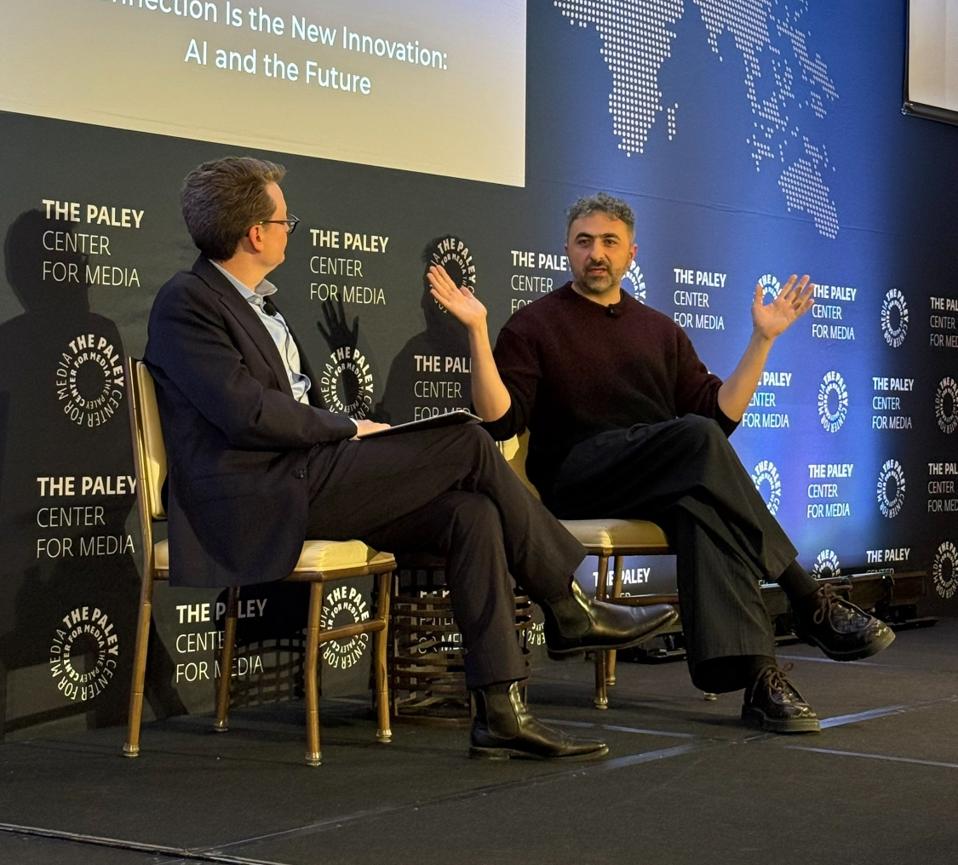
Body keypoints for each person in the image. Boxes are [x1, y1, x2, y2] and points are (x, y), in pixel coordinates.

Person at [145, 159, 679, 761]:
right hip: (258, 494)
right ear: (255, 234)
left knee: (470, 513)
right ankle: (569, 604)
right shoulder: (187, 301)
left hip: (308, 475)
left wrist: (352, 435)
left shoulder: (258, 303)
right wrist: (350, 425)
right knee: (466, 440)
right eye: (284, 218)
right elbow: (247, 414)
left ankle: (501, 711)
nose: (291, 228)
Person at [428, 192, 895, 734]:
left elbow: (716, 421)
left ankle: (759, 680)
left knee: (705, 508)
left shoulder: (660, 330)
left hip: (659, 476)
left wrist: (762, 340)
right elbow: (500, 423)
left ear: (631, 254)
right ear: (566, 251)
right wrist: (478, 334)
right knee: (695, 448)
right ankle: (806, 595)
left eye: (609, 242)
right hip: (579, 476)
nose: (595, 253)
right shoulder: (534, 325)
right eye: (584, 242)